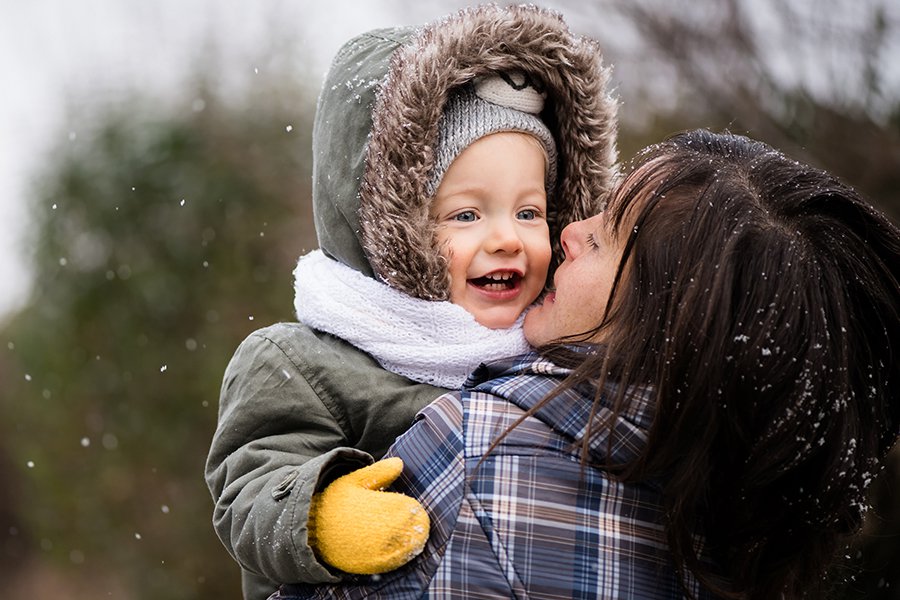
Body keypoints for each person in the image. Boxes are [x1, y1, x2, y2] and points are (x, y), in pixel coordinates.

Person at [275, 129, 900, 600]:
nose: (567, 230)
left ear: (666, 320)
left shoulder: (481, 450)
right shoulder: (752, 523)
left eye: (603, 238)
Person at [204, 5, 618, 600]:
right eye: (466, 215)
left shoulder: (552, 353)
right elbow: (247, 486)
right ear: (391, 227)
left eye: (529, 212)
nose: (507, 237)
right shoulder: (303, 362)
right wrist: (320, 515)